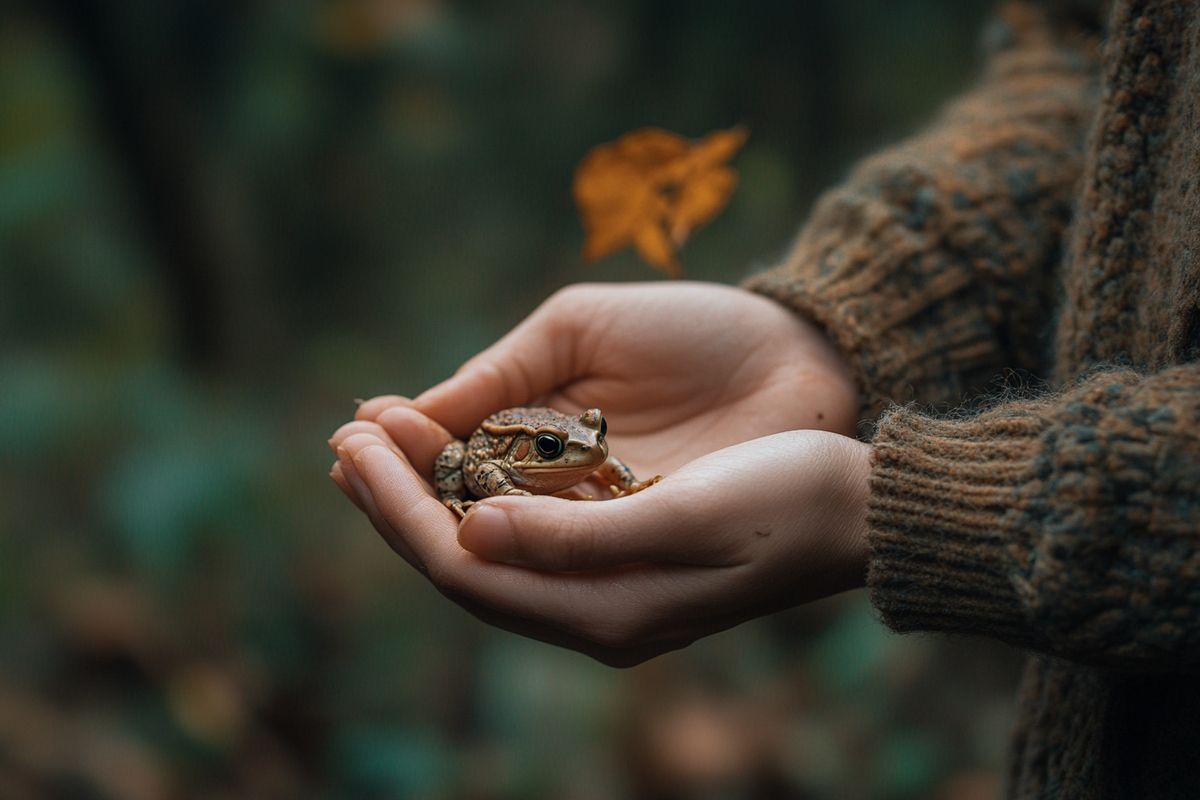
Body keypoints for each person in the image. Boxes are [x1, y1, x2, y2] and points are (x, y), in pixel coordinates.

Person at [329, 1, 1200, 795]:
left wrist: (888, 506)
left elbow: (601, 460)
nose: (592, 452)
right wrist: (832, 328)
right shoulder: (506, 459)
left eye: (593, 439)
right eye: (572, 447)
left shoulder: (587, 450)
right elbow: (1092, 68)